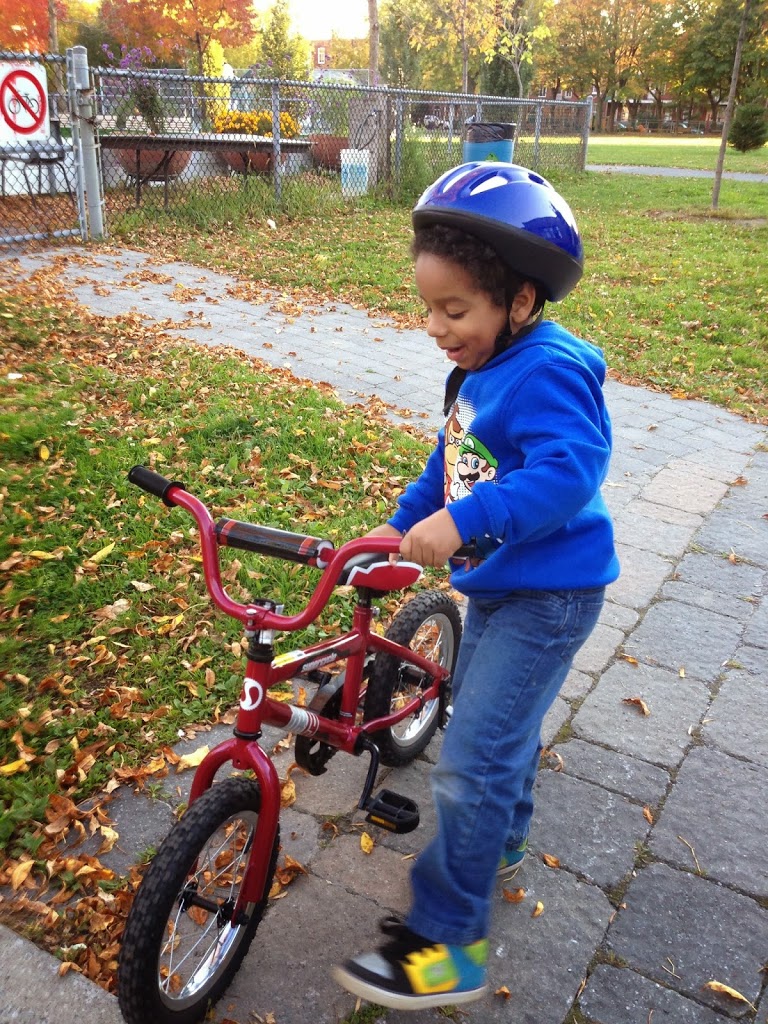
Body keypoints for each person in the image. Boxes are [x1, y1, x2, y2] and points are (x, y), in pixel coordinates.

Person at [332, 162, 620, 1010]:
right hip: (500, 588)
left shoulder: (550, 371)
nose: (434, 326)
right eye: (428, 306)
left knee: (469, 761)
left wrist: (463, 524)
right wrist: (405, 519)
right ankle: (503, 842)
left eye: (453, 310)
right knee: (502, 730)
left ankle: (447, 945)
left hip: (552, 595)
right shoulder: (479, 369)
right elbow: (451, 461)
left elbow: (570, 471)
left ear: (520, 301)